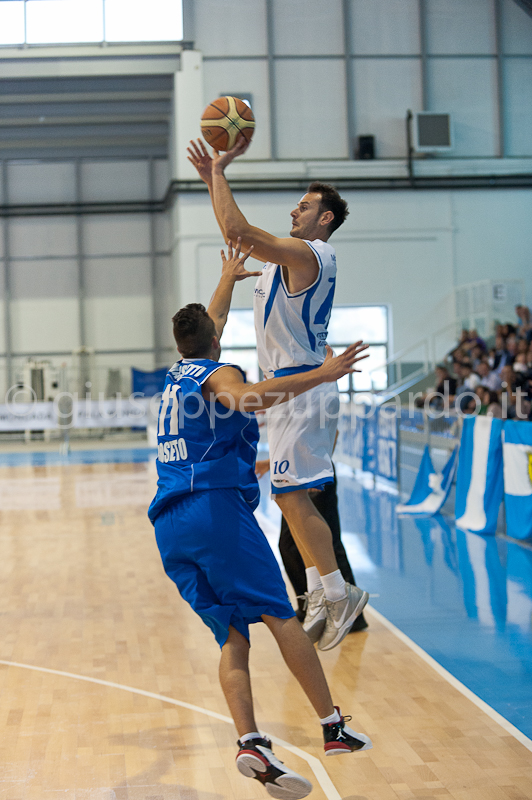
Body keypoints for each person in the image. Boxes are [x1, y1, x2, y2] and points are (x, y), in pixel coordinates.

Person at [148, 242, 372, 799]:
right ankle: (332, 727)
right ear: (216, 343)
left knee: (232, 636)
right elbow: (248, 397)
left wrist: (225, 277)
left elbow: (211, 321)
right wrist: (321, 373)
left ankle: (250, 742)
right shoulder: (218, 373)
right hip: (215, 513)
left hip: (169, 523)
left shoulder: (177, 372)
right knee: (281, 615)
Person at [187, 136, 368, 652]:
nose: (296, 209)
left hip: (304, 387)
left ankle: (339, 591)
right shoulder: (281, 266)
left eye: (306, 205)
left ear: (326, 220)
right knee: (288, 496)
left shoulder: (313, 253)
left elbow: (237, 230)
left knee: (290, 493)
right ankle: (316, 592)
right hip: (291, 389)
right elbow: (238, 237)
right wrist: (209, 181)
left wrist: (218, 171)